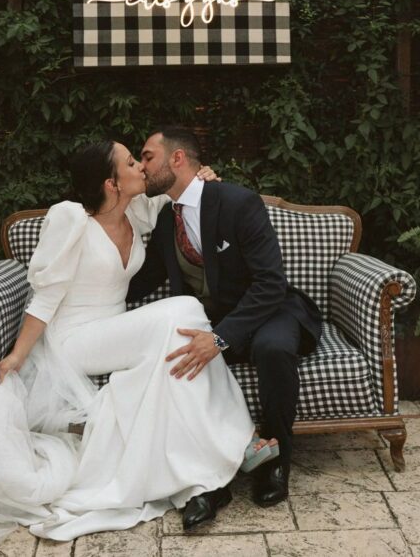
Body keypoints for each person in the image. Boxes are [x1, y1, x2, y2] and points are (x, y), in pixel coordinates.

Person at [0, 140, 263, 556]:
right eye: (131, 162)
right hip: (75, 339)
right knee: (185, 311)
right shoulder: (69, 219)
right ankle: (242, 441)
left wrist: (203, 176)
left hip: (112, 328)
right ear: (111, 182)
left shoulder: (139, 210)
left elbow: (182, 196)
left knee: (175, 351)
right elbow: (46, 298)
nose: (141, 167)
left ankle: (200, 477)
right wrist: (18, 355)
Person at [128, 126, 323, 512]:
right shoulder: (168, 218)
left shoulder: (238, 202)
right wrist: (92, 293)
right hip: (214, 318)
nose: (143, 165)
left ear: (177, 159)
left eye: (148, 156)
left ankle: (277, 459)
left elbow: (270, 282)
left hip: (268, 310)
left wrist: (219, 339)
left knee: (273, 349)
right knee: (175, 360)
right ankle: (206, 476)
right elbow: (144, 279)